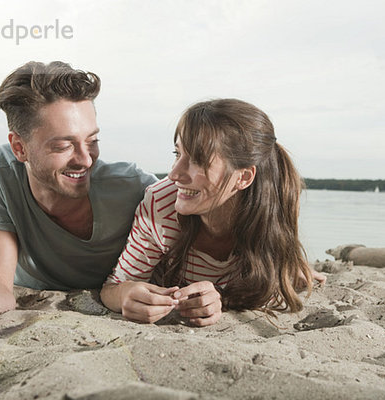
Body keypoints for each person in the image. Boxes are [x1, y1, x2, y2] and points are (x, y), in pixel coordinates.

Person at [0, 61, 156, 322]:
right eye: (62, 146)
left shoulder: (134, 187)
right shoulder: (3, 170)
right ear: (19, 148)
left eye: (92, 141)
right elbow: (1, 288)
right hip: (33, 291)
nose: (86, 160)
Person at [100, 98, 325, 326]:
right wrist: (126, 294)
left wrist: (222, 299)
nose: (174, 175)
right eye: (177, 154)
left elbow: (264, 290)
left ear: (243, 177)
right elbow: (113, 287)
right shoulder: (161, 203)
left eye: (198, 160)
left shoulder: (269, 213)